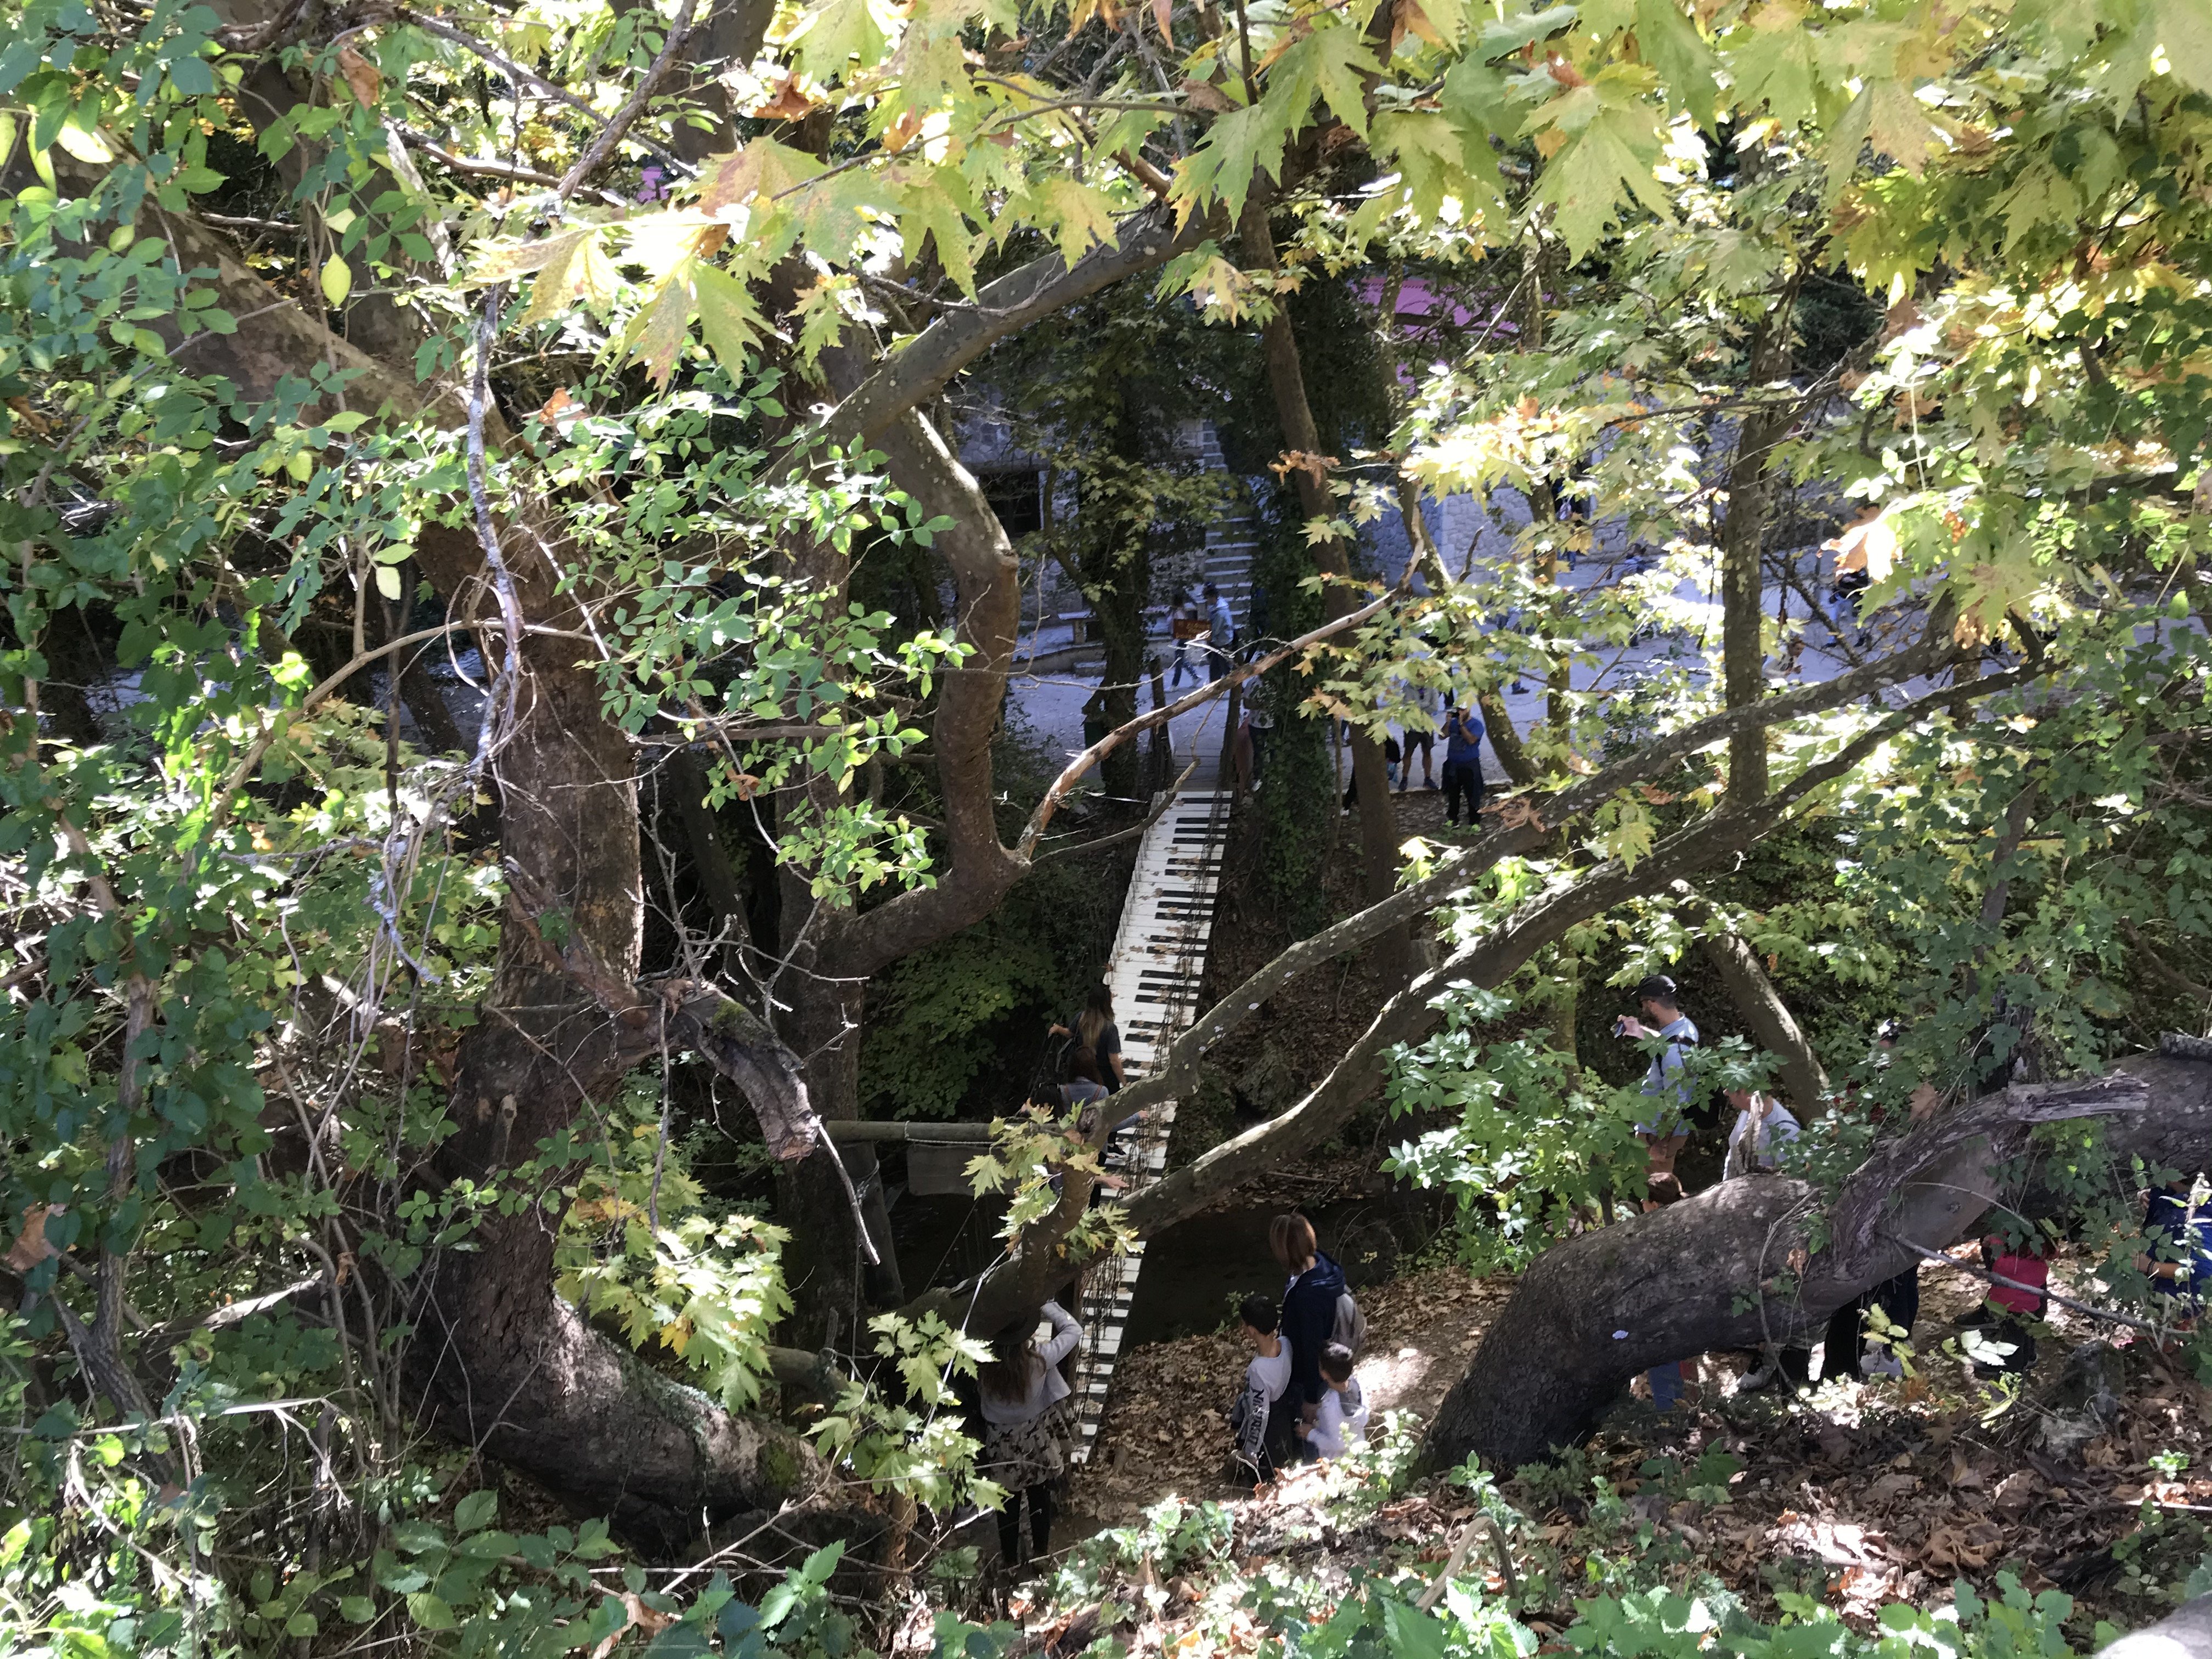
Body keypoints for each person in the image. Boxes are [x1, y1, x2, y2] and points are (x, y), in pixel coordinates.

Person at [978, 1301, 1081, 1567]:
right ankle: (1041, 1555)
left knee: (1007, 1503)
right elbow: (1073, 1330)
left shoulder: (981, 1363)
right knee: (1039, 1496)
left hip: (1000, 1443)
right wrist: (1047, 1304)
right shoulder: (1040, 1360)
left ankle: (1010, 1561)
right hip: (1035, 1439)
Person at [1271, 1213, 1350, 1429]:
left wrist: (1311, 1398)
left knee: (1310, 1432)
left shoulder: (1308, 1297)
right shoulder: (1322, 1263)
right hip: (1324, 1365)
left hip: (1309, 1378)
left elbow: (1311, 1346)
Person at [1228, 1292, 1296, 1485]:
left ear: (1251, 1330)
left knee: (1264, 1478)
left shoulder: (1258, 1370)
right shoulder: (1286, 1344)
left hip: (1269, 1432)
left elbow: (1260, 1415)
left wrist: (1250, 1451)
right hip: (1284, 1418)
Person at [2139, 1176, 2209, 1316]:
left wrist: (2150, 1266)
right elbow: (2196, 1198)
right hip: (2161, 1239)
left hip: (2177, 1296)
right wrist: (2154, 1190)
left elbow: (2200, 1271)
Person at [1051, 983, 1124, 1091]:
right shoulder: (1110, 1028)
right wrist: (1124, 1081)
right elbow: (1114, 1061)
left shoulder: (1081, 1018)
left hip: (1083, 1071)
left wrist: (1058, 1029)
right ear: (1107, 1003)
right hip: (1105, 1078)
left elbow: (1070, 1033)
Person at [1304, 1342, 1369, 1461]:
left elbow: (1337, 1444)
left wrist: (1311, 1433)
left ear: (1324, 1374)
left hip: (1338, 1462)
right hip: (1359, 1452)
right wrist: (1319, 1409)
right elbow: (1363, 1419)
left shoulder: (1330, 1404)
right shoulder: (1358, 1385)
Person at [1722, 1086, 1800, 1179]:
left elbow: (1787, 1181)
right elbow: (1733, 1152)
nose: (1725, 1092)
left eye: (1730, 1089)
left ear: (1744, 1093)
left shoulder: (1787, 1132)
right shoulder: (1750, 1111)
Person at [1440, 701, 1486, 827]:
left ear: (1469, 710)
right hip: (1453, 764)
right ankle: (1453, 819)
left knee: (1473, 794)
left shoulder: (1476, 724)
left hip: (1470, 765)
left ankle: (1474, 821)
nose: (1460, 712)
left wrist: (1461, 725)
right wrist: (1449, 722)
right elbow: (1442, 735)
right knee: (1453, 794)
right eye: (1458, 709)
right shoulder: (1453, 723)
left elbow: (1471, 740)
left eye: (1463, 710)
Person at [1205, 584, 1235, 684]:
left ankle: (1238, 688)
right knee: (1215, 667)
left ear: (1213, 597)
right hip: (1220, 641)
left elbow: (1216, 629)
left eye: (1209, 598)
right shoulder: (1218, 607)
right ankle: (1214, 687)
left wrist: (1209, 638)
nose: (1208, 601)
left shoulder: (1220, 612)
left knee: (1225, 667)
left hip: (1223, 641)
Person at [1169, 590, 1199, 687]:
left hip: (1180, 639)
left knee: (1178, 662)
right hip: (1178, 639)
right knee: (1180, 660)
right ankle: (1195, 676)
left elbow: (1181, 626)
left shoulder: (1179, 612)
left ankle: (1174, 684)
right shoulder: (1176, 612)